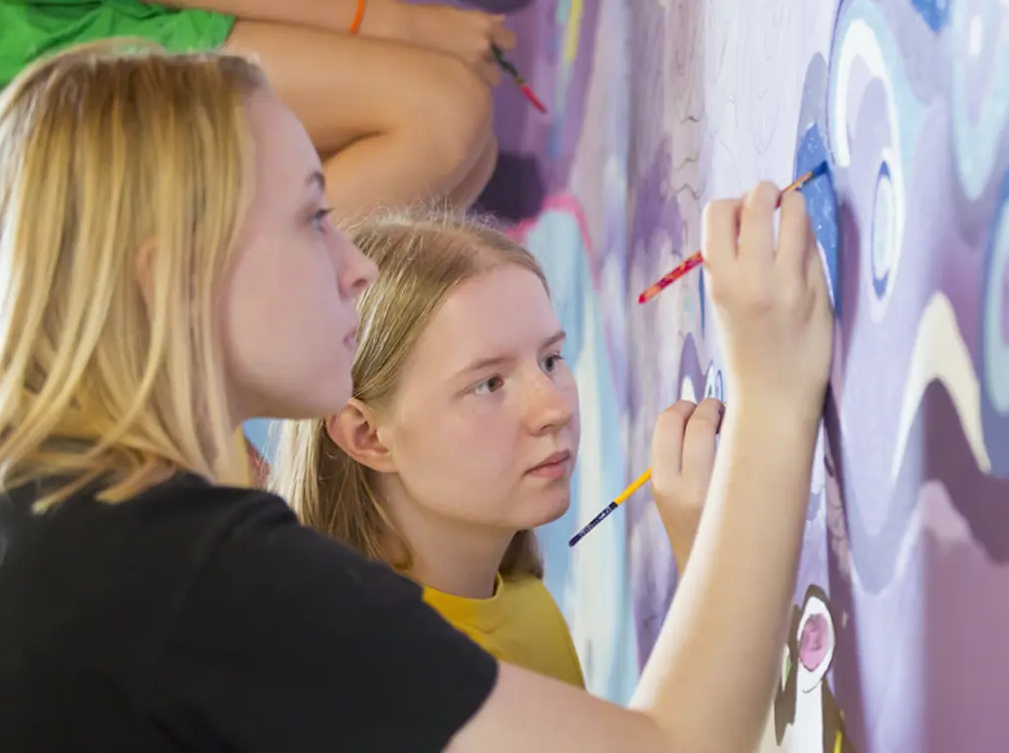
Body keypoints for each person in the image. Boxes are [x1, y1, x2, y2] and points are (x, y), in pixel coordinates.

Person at [0, 41, 833, 752]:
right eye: (309, 217)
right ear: (172, 280)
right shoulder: (181, 572)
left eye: (550, 360)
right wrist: (772, 392)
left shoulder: (64, 524)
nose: (352, 267)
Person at [268, 211, 719, 688]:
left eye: (550, 360)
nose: (553, 408)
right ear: (367, 435)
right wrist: (706, 553)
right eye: (489, 384)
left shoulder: (526, 608)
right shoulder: (383, 672)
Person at [0, 0, 513, 221]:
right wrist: (405, 25)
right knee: (443, 115)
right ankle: (207, 314)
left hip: (106, 29)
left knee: (467, 154)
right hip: (63, 69)